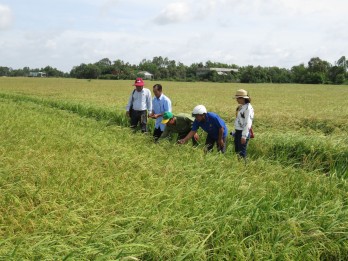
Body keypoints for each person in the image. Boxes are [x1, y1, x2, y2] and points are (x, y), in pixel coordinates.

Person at [233, 89, 254, 159]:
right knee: (237, 151)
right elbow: (239, 120)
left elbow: (248, 122)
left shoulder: (248, 108)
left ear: (242, 98)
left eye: (238, 98)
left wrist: (244, 136)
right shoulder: (241, 106)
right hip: (238, 131)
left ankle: (244, 168)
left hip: (243, 132)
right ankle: (239, 166)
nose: (236, 100)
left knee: (242, 153)